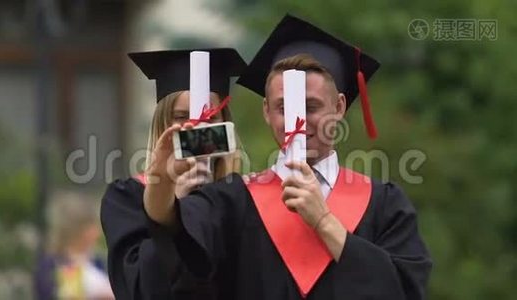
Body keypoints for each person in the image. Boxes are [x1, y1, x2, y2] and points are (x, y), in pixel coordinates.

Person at [143, 15, 432, 299]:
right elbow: (177, 238)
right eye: (284, 109)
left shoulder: (384, 204)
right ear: (267, 112)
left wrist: (324, 221)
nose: (299, 121)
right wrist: (161, 181)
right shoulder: (234, 200)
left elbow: (404, 289)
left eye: (312, 106)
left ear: (339, 106)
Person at [100, 48, 247, 299]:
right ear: (162, 124)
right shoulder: (126, 199)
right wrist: (170, 205)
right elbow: (140, 291)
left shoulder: (245, 200)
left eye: (209, 118)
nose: (194, 128)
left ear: (224, 123)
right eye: (181, 117)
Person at [34, 192, 114, 300]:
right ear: (76, 230)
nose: (97, 232)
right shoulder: (50, 266)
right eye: (91, 227)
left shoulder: (98, 262)